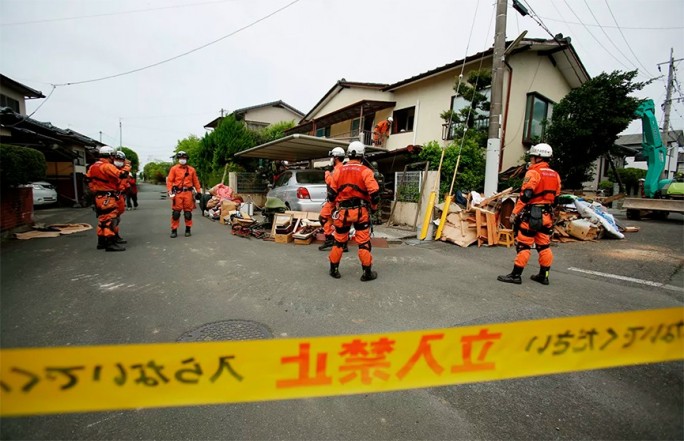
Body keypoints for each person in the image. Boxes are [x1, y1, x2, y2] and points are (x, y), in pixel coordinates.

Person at [497, 143, 561, 285]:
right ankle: (544, 275)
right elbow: (556, 200)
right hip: (546, 216)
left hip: (532, 215)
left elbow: (525, 196)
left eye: (532, 156)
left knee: (524, 246)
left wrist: (515, 212)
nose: (531, 159)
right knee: (544, 246)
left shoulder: (533, 173)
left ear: (538, 157)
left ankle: (516, 275)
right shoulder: (555, 175)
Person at [327, 141, 380, 281]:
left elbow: (331, 195)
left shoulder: (338, 171)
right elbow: (375, 195)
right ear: (362, 155)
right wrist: (374, 209)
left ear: (349, 155)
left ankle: (334, 269)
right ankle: (367, 272)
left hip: (343, 212)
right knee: (363, 242)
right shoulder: (366, 172)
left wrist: (333, 210)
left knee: (339, 241)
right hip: (361, 212)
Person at [85, 146, 128, 252]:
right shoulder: (107, 166)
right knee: (110, 219)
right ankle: (110, 242)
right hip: (107, 196)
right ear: (110, 156)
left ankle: (101, 241)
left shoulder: (93, 166)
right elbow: (121, 175)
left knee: (102, 219)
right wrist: (126, 166)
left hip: (98, 196)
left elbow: (88, 180)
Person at [166, 151, 201, 238]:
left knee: (188, 213)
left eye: (184, 158)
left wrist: (199, 191)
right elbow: (170, 180)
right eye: (181, 158)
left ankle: (188, 229)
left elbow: (195, 181)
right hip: (177, 193)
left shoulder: (191, 169)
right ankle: (174, 230)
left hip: (188, 193)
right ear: (178, 159)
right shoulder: (174, 169)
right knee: (176, 213)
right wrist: (169, 190)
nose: (182, 160)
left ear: (186, 159)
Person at [318, 147, 347, 252]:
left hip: (335, 199)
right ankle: (341, 242)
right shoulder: (341, 168)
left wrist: (327, 172)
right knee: (333, 220)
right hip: (337, 199)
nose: (331, 159)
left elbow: (331, 181)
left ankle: (330, 238)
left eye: (332, 157)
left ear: (336, 157)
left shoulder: (338, 169)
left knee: (323, 218)